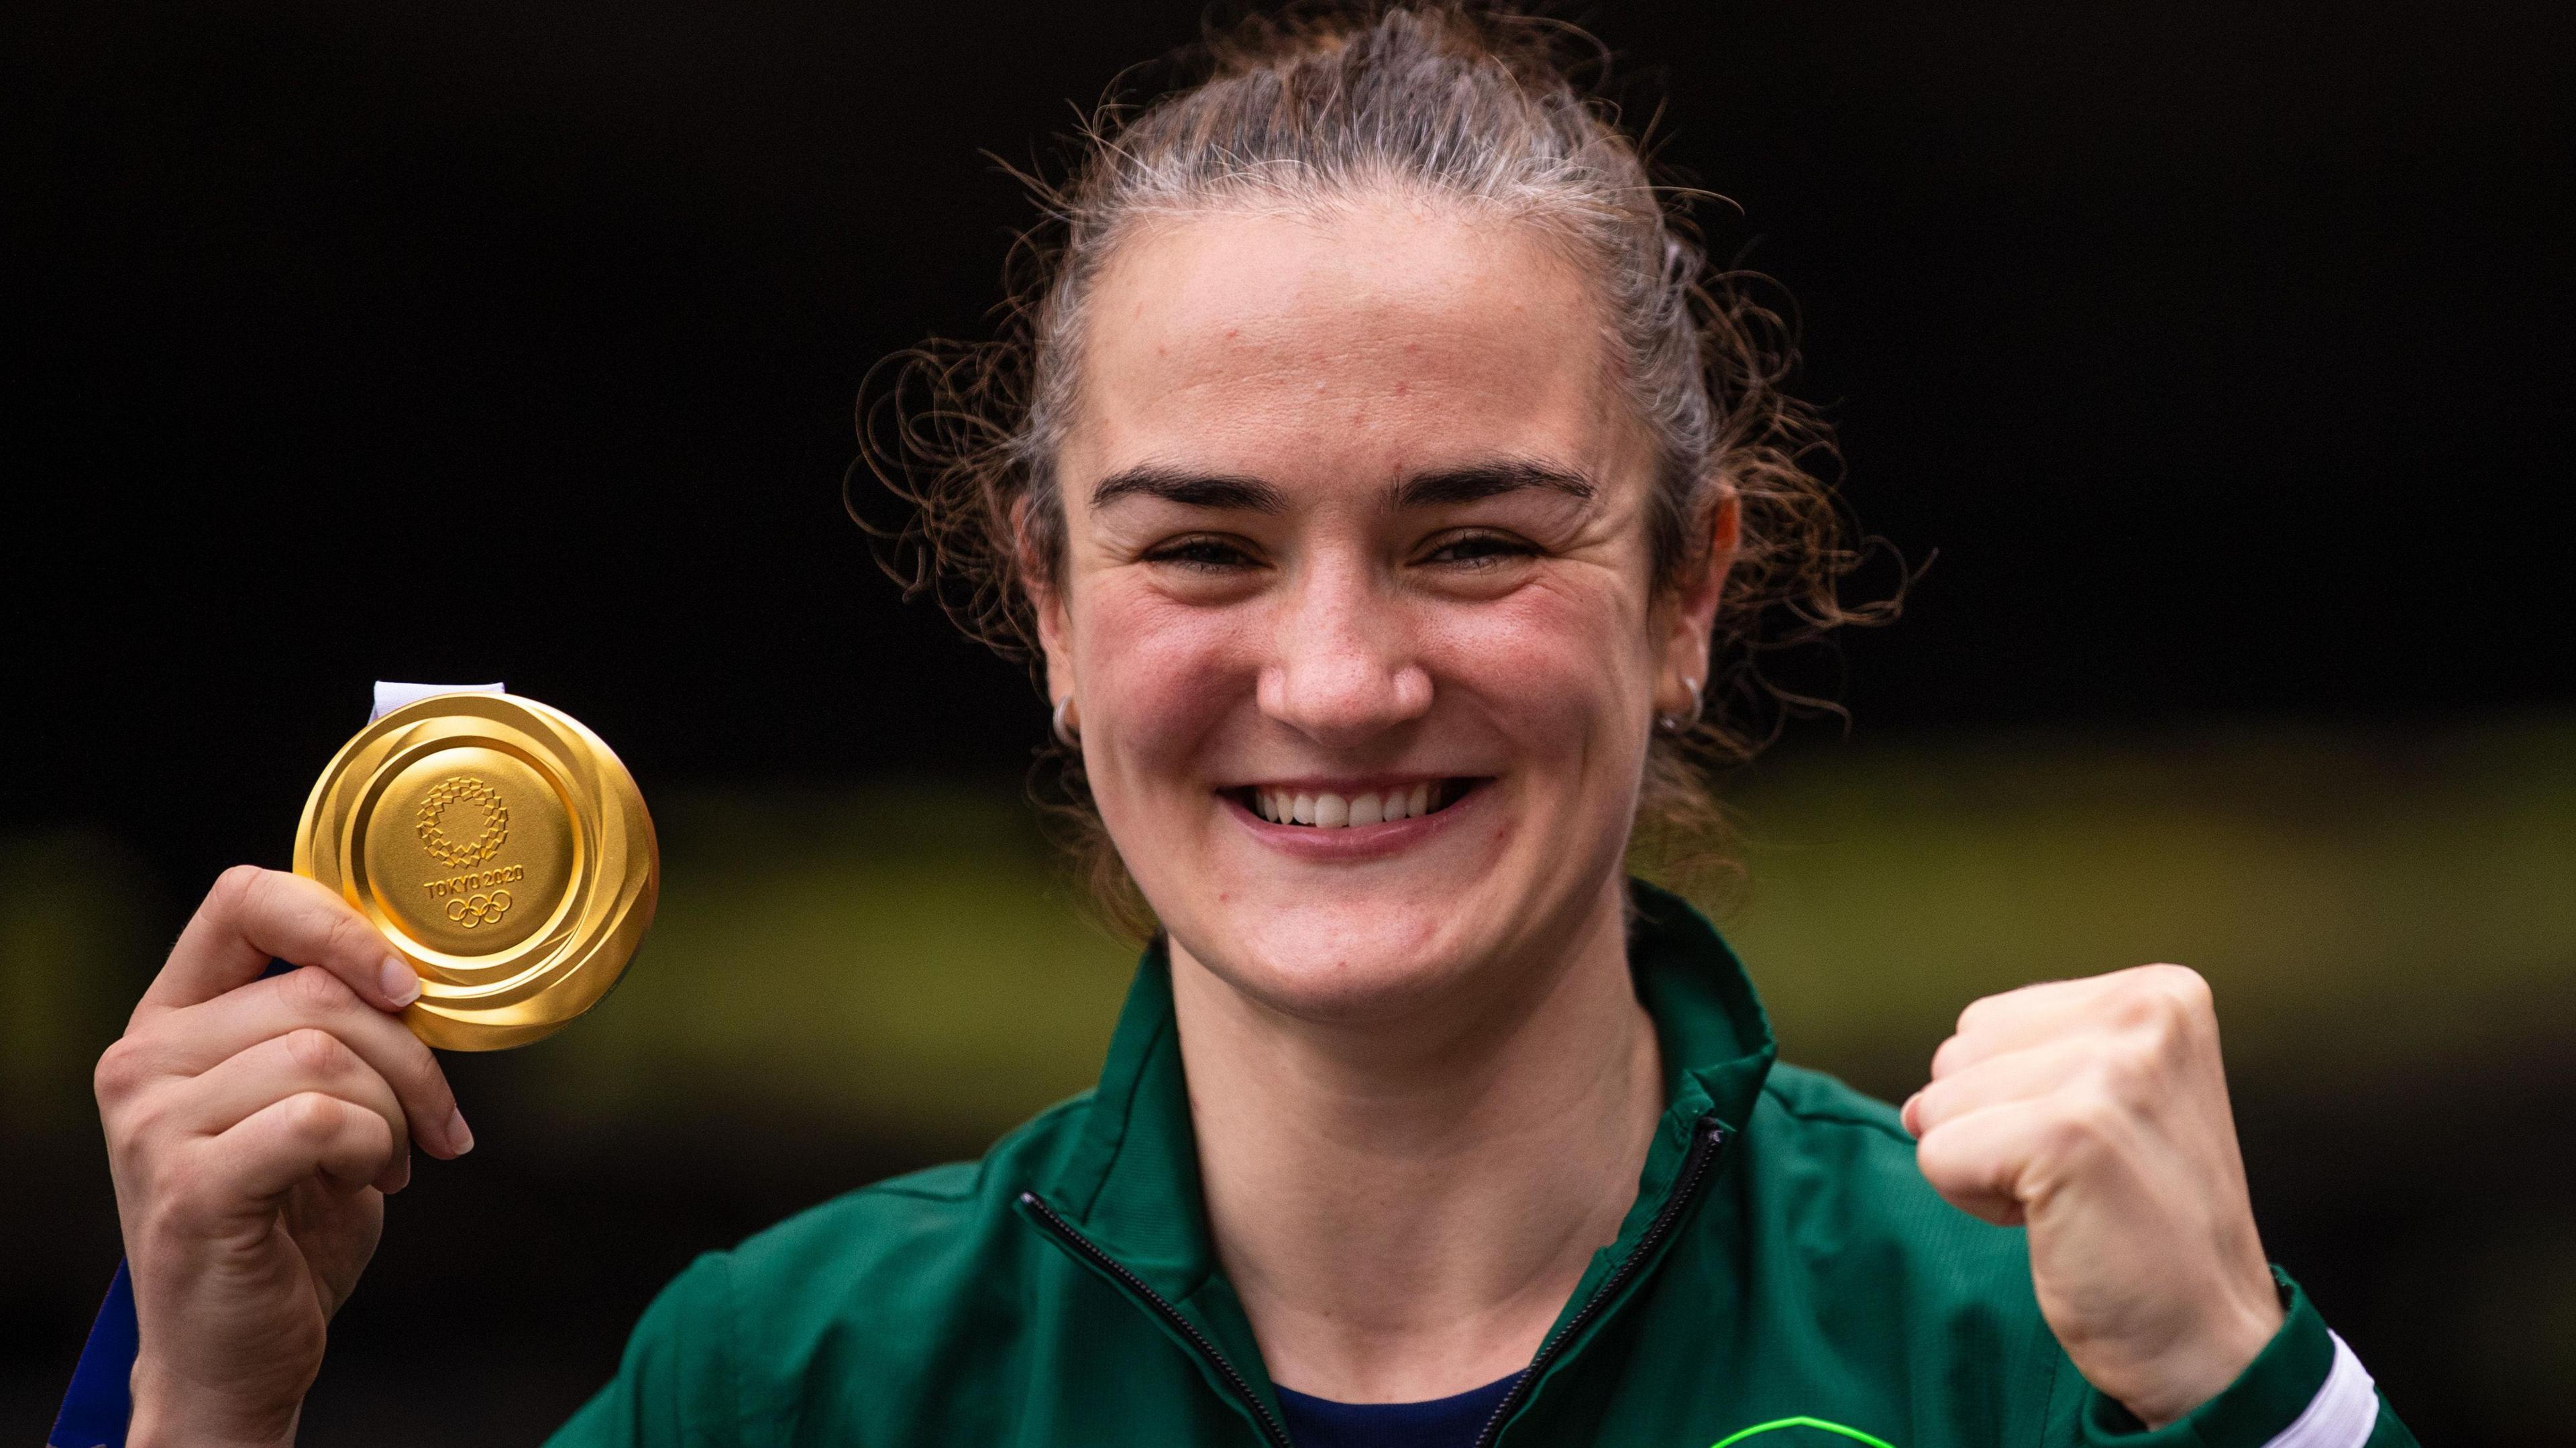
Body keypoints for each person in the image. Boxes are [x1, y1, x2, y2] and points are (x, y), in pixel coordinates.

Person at [79, 7, 2416, 1447]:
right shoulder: (787, 1388)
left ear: (1688, 594)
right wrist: (203, 1410)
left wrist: (2261, 1401)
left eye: (1476, 539)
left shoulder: (2033, 1354)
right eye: (1202, 549)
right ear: (1056, 612)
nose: (1335, 676)